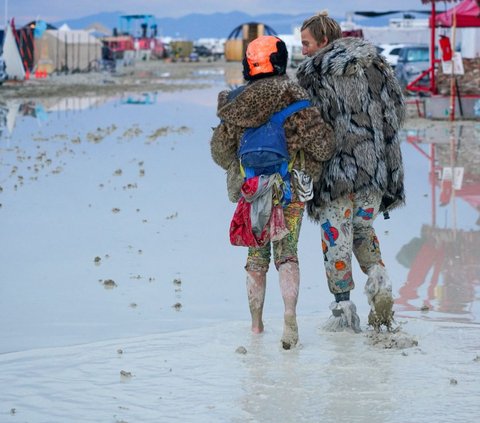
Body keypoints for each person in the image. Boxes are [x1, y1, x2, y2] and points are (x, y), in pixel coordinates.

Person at [211, 35, 334, 349]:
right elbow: (322, 146)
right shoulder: (295, 96)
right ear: (280, 62)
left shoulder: (235, 102)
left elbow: (220, 153)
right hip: (289, 189)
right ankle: (290, 317)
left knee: (256, 257)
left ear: (248, 64)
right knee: (287, 253)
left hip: (251, 191)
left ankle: (255, 327)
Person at [296, 12, 406, 331]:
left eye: (306, 43)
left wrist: (304, 170)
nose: (302, 50)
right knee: (363, 232)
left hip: (336, 175)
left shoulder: (314, 74)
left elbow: (308, 131)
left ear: (324, 42)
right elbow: (396, 113)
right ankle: (381, 287)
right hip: (374, 172)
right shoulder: (377, 66)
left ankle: (344, 311)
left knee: (336, 239)